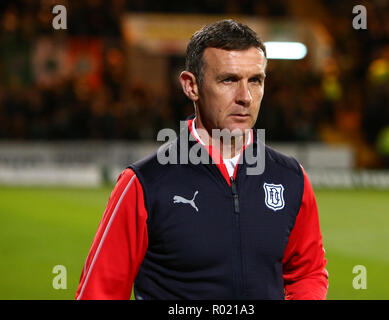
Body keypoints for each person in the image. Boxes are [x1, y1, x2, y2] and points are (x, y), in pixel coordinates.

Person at [75, 19, 328, 300]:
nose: (245, 97)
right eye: (228, 80)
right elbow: (100, 292)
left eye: (255, 80)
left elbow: (308, 272)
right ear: (191, 86)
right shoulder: (144, 183)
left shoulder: (291, 178)